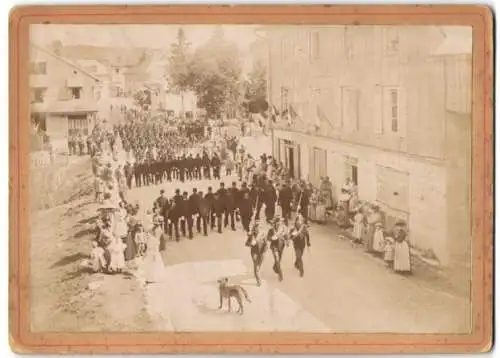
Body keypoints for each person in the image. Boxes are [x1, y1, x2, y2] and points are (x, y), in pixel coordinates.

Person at [267, 215, 289, 282]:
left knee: (278, 260)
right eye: (277, 222)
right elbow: (268, 238)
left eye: (279, 221)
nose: (278, 223)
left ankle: (275, 268)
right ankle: (280, 274)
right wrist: (272, 238)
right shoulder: (271, 229)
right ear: (275, 223)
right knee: (277, 259)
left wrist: (287, 242)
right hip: (274, 246)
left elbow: (286, 236)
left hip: (281, 246)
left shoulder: (284, 228)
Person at [288, 213, 310, 277]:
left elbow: (307, 235)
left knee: (299, 256)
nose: (300, 221)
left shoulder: (304, 228)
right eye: (299, 220)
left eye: (301, 220)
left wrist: (308, 243)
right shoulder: (293, 228)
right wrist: (293, 235)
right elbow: (290, 237)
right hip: (296, 245)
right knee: (299, 257)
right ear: (296, 221)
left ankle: (296, 264)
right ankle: (301, 271)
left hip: (303, 245)